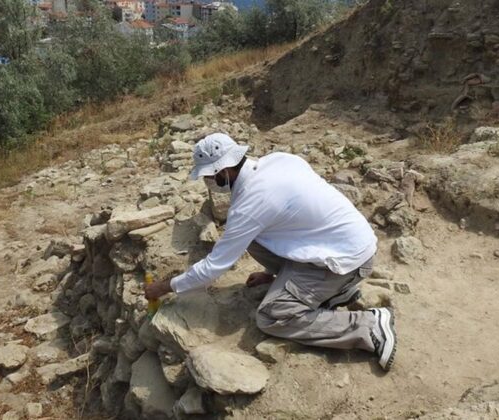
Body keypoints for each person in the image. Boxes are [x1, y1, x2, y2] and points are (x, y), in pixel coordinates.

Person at [144, 133, 397, 371]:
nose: (209, 182)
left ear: (223, 170)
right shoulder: (278, 160)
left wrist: (164, 287)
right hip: (349, 244)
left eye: (209, 176)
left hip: (348, 261)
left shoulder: (250, 204)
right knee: (254, 238)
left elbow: (213, 267)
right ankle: (333, 290)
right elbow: (293, 224)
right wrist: (271, 274)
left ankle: (369, 327)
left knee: (272, 316)